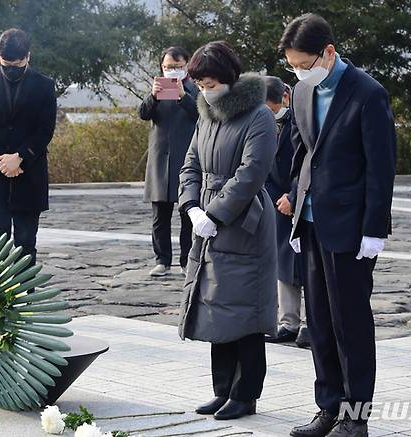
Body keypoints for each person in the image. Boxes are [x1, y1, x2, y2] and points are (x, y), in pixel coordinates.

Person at [280, 14, 396, 437]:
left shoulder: (368, 94)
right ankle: (328, 407)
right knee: (321, 325)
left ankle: (356, 417)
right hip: (309, 223)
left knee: (352, 326)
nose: (298, 72)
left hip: (350, 229)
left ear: (328, 52)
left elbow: (381, 169)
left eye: (304, 63)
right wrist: (294, 195)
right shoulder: (304, 92)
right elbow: (300, 151)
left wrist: (374, 229)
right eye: (292, 65)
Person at [177, 41, 278, 421]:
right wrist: (190, 206)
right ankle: (222, 389)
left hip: (243, 221)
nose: (205, 89)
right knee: (215, 306)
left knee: (245, 309)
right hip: (206, 218)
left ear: (229, 78)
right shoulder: (206, 114)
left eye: (209, 82)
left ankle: (245, 392)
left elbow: (251, 174)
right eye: (199, 83)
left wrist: (215, 214)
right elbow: (190, 164)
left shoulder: (258, 116)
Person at [0, 28, 56, 272]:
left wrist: (19, 157)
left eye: (17, 64)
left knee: (26, 242)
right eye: (7, 64)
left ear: (27, 57)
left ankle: (25, 299)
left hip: (29, 174)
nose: (12, 69)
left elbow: (45, 130)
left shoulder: (45, 85)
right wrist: (0, 160)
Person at [139, 47, 198, 277]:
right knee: (159, 216)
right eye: (168, 67)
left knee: (187, 215)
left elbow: (202, 114)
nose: (172, 70)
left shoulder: (195, 90)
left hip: (187, 159)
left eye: (177, 66)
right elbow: (143, 114)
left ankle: (186, 261)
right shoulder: (157, 90)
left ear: (186, 66)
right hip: (160, 158)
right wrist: (153, 96)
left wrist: (183, 96)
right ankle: (162, 260)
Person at [262, 77, 311, 349]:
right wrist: (272, 197)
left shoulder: (301, 118)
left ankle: (311, 323)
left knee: (307, 265)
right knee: (283, 263)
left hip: (301, 198)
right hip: (275, 202)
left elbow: (307, 160)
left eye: (270, 108)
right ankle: (288, 322)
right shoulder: (260, 123)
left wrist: (293, 196)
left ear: (285, 98)